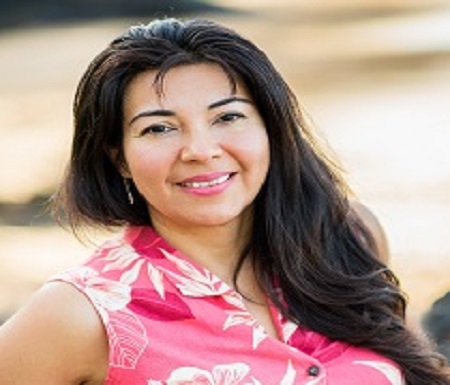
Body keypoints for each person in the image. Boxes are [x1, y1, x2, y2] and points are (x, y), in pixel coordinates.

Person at [0, 18, 448, 385]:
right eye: (159, 128)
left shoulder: (347, 235)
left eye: (228, 117)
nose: (201, 149)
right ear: (117, 157)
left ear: (270, 128)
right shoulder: (81, 312)